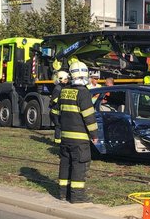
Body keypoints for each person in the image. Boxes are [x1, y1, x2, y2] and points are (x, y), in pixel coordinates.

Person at [56, 61, 99, 203]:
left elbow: (55, 112)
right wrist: (94, 135)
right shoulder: (84, 93)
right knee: (79, 165)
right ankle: (77, 196)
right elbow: (89, 117)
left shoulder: (64, 91)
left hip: (65, 137)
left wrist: (61, 125)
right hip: (80, 139)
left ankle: (63, 194)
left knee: (65, 164)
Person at [49, 70, 69, 144]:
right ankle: (57, 141)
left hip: (59, 110)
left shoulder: (62, 87)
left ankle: (60, 140)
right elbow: (54, 100)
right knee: (58, 126)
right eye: (66, 79)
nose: (67, 80)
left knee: (61, 126)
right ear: (61, 79)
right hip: (56, 111)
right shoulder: (58, 88)